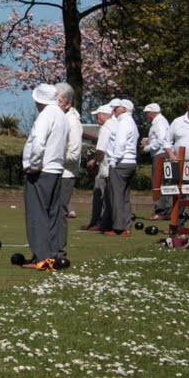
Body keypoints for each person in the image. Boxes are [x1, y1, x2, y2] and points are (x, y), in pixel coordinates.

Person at [21, 84, 69, 267]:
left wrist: (33, 165)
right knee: (52, 214)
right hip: (56, 169)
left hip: (42, 170)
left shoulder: (46, 115)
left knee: (37, 214)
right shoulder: (61, 115)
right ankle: (53, 254)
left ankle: (41, 257)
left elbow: (38, 142)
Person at [104, 98, 139, 236]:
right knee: (124, 197)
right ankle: (126, 227)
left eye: (117, 107)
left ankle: (118, 228)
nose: (114, 109)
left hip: (121, 163)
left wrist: (114, 160)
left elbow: (120, 143)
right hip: (131, 162)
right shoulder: (132, 122)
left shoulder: (124, 122)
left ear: (124, 109)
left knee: (116, 196)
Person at [55, 82, 82, 258]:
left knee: (59, 212)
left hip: (65, 174)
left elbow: (74, 154)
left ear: (67, 103)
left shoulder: (72, 121)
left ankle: (59, 252)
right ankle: (51, 249)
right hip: (54, 171)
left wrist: (51, 159)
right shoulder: (58, 118)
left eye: (57, 100)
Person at [83, 104, 116, 232]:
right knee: (109, 196)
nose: (97, 117)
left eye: (98, 114)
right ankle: (104, 222)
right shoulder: (116, 125)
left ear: (103, 115)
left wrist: (94, 161)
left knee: (103, 195)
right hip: (114, 165)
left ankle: (101, 223)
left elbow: (101, 149)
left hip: (106, 166)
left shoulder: (106, 128)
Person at [140, 102, 171, 220]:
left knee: (158, 182)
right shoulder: (159, 122)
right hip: (160, 154)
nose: (145, 116)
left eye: (146, 113)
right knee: (163, 182)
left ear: (152, 113)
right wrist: (149, 140)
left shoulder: (159, 123)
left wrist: (147, 148)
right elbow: (159, 138)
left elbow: (161, 140)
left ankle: (161, 211)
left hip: (160, 155)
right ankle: (165, 210)